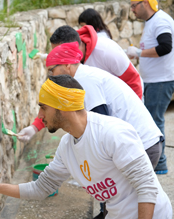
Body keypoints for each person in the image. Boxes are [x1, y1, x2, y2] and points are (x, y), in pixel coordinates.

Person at [0, 75, 172, 219]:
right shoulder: (66, 147)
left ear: (64, 107)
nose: (40, 116)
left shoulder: (112, 133)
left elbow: (147, 187)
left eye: (43, 107)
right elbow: (42, 188)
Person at [45, 42, 163, 218]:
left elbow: (100, 126)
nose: (50, 76)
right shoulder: (85, 76)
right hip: (143, 141)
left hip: (142, 144)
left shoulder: (86, 81)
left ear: (67, 65)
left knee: (123, 201)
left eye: (52, 70)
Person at [127, 0, 174, 175]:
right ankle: (158, 163)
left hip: (161, 80)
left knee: (155, 121)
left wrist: (139, 53)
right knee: (153, 120)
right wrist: (139, 56)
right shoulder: (152, 22)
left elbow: (166, 47)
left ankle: (160, 164)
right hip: (153, 80)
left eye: (133, 5)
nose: (132, 10)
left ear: (145, 3)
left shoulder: (160, 20)